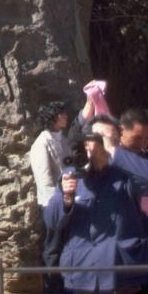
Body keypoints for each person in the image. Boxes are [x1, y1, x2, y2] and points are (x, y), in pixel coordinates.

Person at [44, 116, 148, 293]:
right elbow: (52, 222)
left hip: (120, 274)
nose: (99, 142)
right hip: (81, 274)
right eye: (95, 138)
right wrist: (67, 197)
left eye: (107, 138)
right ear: (86, 144)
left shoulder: (127, 174)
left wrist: (113, 151)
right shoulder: (72, 175)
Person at [30, 100, 69, 294]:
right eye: (62, 113)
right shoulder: (41, 142)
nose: (65, 116)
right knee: (52, 248)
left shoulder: (63, 138)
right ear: (53, 117)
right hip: (51, 203)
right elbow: (44, 178)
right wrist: (59, 199)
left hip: (67, 201)